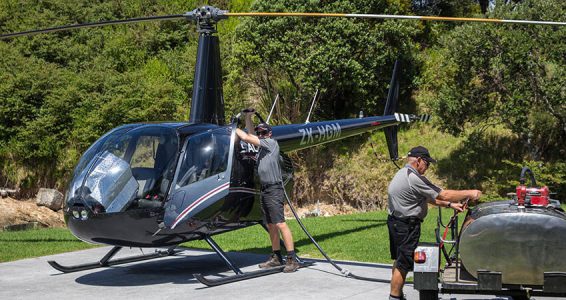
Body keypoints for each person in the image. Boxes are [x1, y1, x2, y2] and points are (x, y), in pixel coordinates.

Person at [387, 146, 481, 300]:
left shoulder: (403, 173)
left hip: (396, 223)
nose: (427, 167)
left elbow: (429, 197)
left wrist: (450, 205)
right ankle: (394, 297)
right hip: (406, 225)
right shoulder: (414, 178)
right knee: (403, 264)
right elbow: (444, 194)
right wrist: (470, 193)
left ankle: (398, 295)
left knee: (399, 260)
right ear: (418, 161)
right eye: (427, 163)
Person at [235, 109, 300, 273]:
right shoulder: (261, 147)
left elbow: (246, 136)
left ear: (269, 134)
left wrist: (231, 128)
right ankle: (276, 257)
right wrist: (248, 117)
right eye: (259, 133)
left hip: (274, 189)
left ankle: (292, 259)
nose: (261, 134)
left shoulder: (271, 144)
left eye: (264, 132)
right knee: (270, 224)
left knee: (280, 224)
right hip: (265, 190)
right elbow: (251, 134)